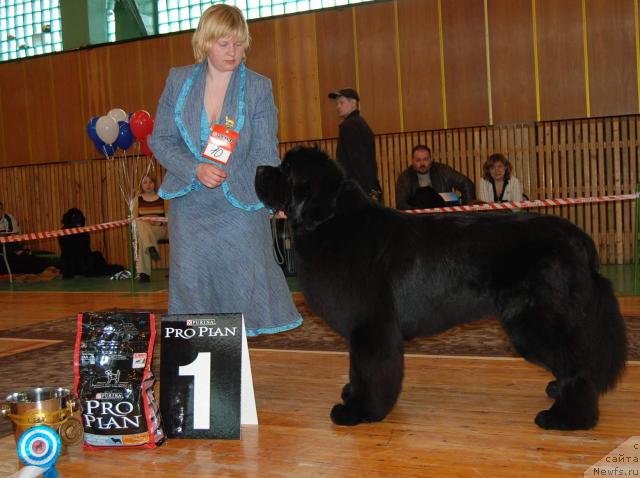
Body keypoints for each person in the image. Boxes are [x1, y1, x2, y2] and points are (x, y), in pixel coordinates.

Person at [148, 4, 302, 336]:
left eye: (239, 43)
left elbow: (264, 149)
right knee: (193, 291)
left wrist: (271, 198)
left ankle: (233, 369)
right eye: (224, 44)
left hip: (239, 204)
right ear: (205, 42)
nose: (234, 52)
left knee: (244, 288)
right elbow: (160, 139)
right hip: (189, 206)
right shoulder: (178, 81)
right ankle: (201, 363)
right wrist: (194, 169)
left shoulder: (259, 87)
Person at [328, 88, 382, 201]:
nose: (338, 106)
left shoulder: (350, 125)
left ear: (353, 103)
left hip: (357, 189)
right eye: (337, 103)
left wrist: (360, 192)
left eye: (341, 102)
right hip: (365, 187)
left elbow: (357, 161)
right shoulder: (359, 122)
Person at [395, 145, 475, 210]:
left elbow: (467, 184)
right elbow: (401, 204)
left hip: (443, 217)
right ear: (412, 161)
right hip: (417, 221)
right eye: (418, 160)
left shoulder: (443, 171)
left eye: (425, 159)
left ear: (431, 159)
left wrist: (466, 210)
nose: (422, 163)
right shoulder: (404, 178)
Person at [132, 174, 168, 282]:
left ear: (154, 184)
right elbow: (133, 219)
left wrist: (159, 223)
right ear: (141, 185)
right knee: (141, 223)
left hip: (159, 229)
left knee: (144, 237)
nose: (148, 185)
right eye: (145, 182)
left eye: (150, 182)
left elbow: (169, 217)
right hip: (143, 228)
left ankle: (144, 274)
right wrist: (147, 221)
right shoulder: (137, 199)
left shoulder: (163, 198)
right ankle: (151, 247)